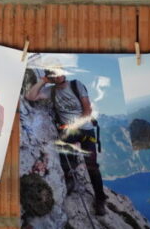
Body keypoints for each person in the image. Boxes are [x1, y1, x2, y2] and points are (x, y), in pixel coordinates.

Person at [26, 68, 107, 216]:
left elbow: (87, 111)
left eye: (59, 73)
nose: (57, 76)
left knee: (92, 167)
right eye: (53, 75)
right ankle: (70, 180)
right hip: (68, 131)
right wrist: (43, 81)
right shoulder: (51, 91)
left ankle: (100, 199)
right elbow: (30, 97)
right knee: (64, 158)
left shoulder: (76, 85)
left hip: (85, 129)